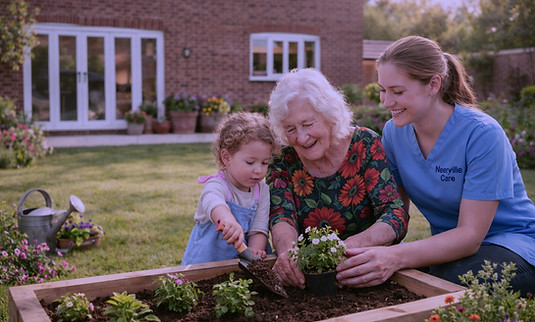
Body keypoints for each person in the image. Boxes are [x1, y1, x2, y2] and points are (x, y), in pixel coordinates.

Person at [336, 35, 535, 296]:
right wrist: (355, 247)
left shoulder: (482, 134)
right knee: (394, 278)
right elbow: (395, 212)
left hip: (514, 246)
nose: (386, 102)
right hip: (451, 251)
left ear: (433, 84)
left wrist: (395, 256)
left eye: (397, 91)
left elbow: (470, 235)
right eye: (382, 90)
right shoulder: (394, 134)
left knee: (448, 283)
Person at [266, 68, 409, 288]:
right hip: (310, 279)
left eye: (308, 124)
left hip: (367, 273)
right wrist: (288, 252)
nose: (302, 137)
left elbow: (395, 213)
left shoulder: (364, 144)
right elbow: (281, 215)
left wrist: (349, 247)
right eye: (290, 128)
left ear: (329, 115)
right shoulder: (283, 159)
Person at [181, 112, 279, 265]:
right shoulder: (216, 185)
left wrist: (254, 251)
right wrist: (227, 219)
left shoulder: (262, 191)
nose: (259, 170)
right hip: (205, 265)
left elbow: (259, 229)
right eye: (250, 162)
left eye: (265, 163)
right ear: (226, 157)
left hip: (241, 267)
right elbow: (213, 203)